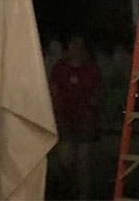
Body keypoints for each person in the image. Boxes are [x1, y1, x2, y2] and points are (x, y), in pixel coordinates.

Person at [49, 35, 102, 198]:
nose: (76, 50)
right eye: (73, 46)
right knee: (65, 160)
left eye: (79, 46)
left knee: (82, 163)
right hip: (64, 117)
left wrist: (92, 103)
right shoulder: (59, 68)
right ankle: (65, 187)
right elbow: (53, 89)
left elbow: (97, 93)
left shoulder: (91, 69)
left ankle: (82, 196)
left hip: (85, 119)